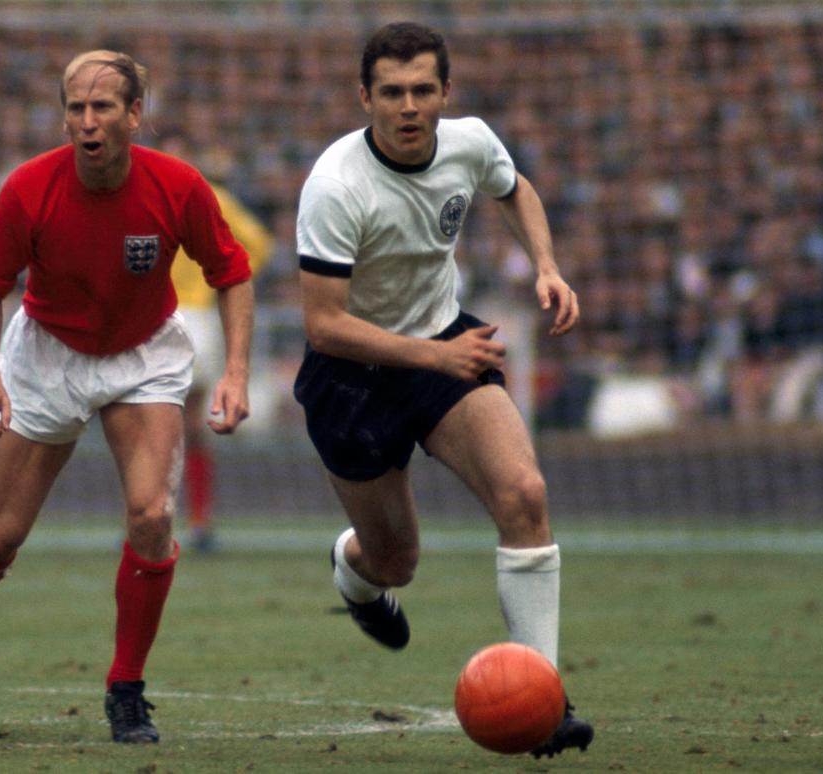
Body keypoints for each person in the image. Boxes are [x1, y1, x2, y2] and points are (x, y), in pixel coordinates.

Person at [0, 50, 254, 745]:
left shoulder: (178, 186)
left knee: (152, 517)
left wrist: (237, 372)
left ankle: (126, 689)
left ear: (134, 115)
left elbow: (232, 273)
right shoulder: (29, 188)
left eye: (101, 108)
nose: (86, 122)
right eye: (75, 107)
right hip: (46, 357)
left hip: (143, 356)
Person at [291, 23, 592, 759]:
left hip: (445, 348)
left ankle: (545, 697)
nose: (408, 106)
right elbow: (325, 327)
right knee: (397, 563)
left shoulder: (470, 141)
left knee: (523, 493)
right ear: (365, 97)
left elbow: (512, 188)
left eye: (423, 90)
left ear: (445, 94)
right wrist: (431, 354)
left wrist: (547, 266)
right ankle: (352, 574)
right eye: (391, 92)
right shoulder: (335, 186)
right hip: (352, 380)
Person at [164, 138, 274, 552]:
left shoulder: (155, 193)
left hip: (166, 317)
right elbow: (259, 243)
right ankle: (197, 520)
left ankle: (158, 518)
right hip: (198, 319)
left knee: (156, 426)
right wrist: (224, 276)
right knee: (188, 426)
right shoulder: (210, 196)